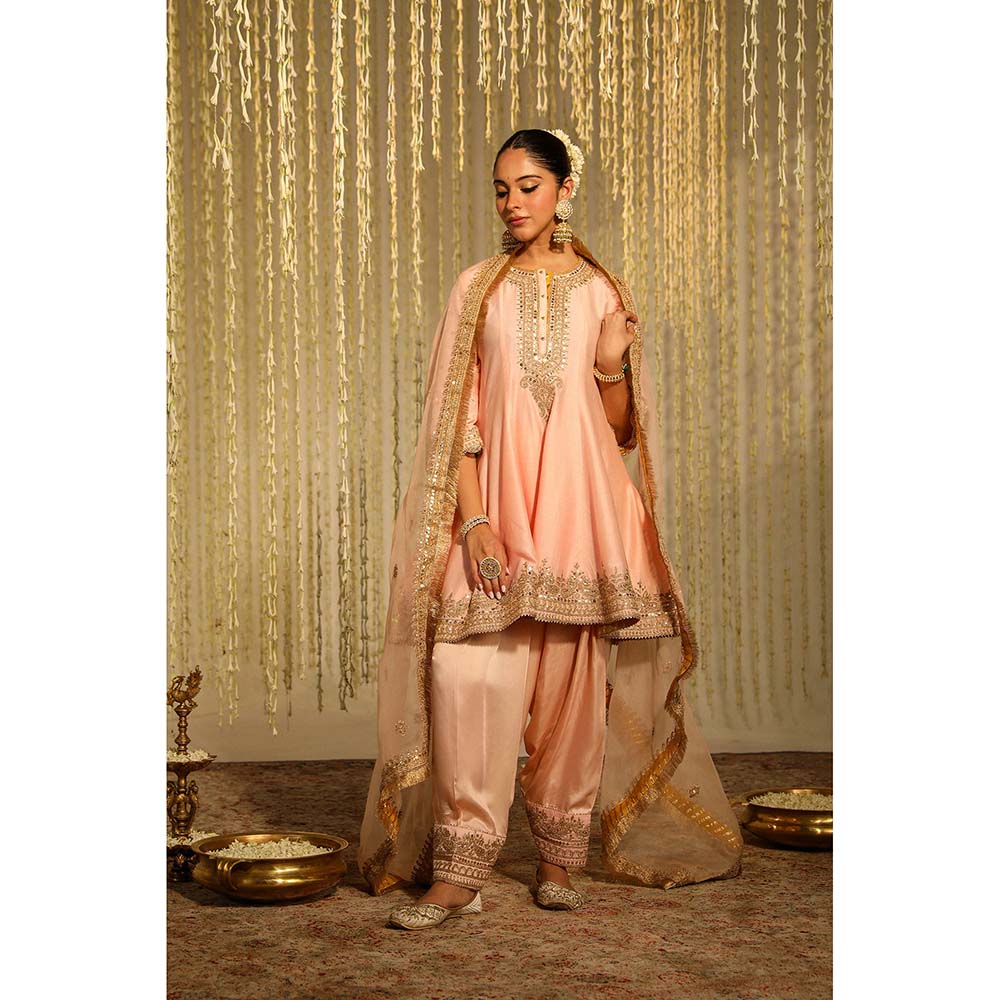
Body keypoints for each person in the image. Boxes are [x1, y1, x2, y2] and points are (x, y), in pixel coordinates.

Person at [357, 128, 743, 930]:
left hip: (579, 509)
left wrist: (610, 360)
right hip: (496, 509)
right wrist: (475, 524)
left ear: (566, 190)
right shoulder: (477, 289)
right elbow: (456, 423)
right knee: (468, 679)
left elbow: (619, 430)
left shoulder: (602, 290)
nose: (512, 203)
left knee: (571, 685)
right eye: (501, 189)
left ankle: (559, 859)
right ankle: (459, 870)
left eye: (528, 186)